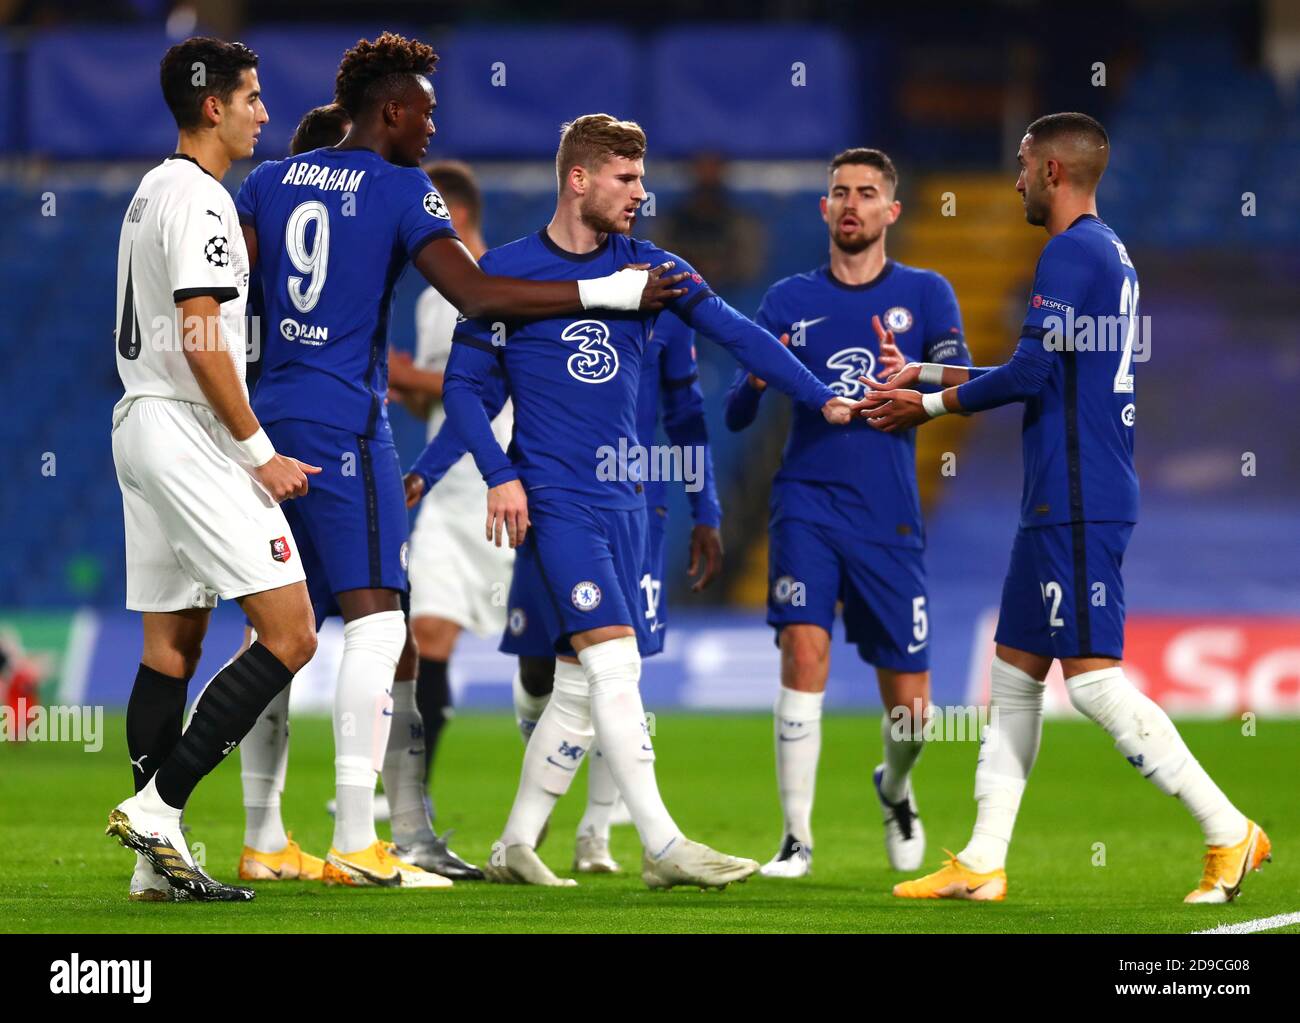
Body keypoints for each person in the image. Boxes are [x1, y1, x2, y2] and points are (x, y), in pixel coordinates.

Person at [235, 34, 686, 889]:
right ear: (393, 111)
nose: (433, 130)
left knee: (277, 633)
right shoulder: (403, 187)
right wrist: (604, 291)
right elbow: (478, 295)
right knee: (381, 627)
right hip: (343, 424)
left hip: (263, 425)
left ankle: (266, 832)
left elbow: (237, 299)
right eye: (427, 114)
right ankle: (366, 837)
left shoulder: (264, 179)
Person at [858, 113, 1271, 904]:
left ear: (1052, 171)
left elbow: (1028, 377)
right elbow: (1037, 365)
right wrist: (921, 374)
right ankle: (982, 860)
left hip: (1079, 495)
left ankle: (1228, 831)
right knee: (1015, 672)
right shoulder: (1105, 251)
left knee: (1092, 681)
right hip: (1063, 493)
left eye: (1021, 164)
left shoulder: (1069, 251)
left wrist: (929, 405)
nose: (1014, 178)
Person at [437, 113, 852, 889]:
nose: (640, 192)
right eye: (625, 179)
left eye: (641, 177)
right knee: (616, 666)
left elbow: (739, 335)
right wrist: (499, 472)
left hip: (629, 503)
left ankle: (515, 843)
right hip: (558, 500)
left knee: (574, 686)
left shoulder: (655, 269)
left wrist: (820, 397)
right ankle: (661, 844)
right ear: (578, 180)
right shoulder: (508, 273)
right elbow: (463, 390)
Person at [106, 37, 320, 903]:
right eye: (253, 97)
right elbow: (201, 336)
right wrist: (259, 454)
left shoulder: (151, 190)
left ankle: (151, 867)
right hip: (190, 427)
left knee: (172, 645)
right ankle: (160, 805)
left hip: (138, 420)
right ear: (212, 108)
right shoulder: (200, 201)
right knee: (293, 631)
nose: (264, 112)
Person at [724, 147, 970, 878]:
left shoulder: (927, 293)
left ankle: (894, 786)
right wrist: (761, 377)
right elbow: (737, 411)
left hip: (888, 513)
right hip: (806, 501)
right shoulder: (787, 301)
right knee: (803, 647)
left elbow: (961, 376)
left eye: (868, 192)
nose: (853, 203)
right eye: (840, 192)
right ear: (824, 209)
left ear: (891, 211)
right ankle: (795, 838)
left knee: (913, 713)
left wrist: (911, 373)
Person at [407, 307, 722, 874]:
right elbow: (484, 398)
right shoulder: (548, 301)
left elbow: (686, 414)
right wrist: (428, 472)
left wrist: (707, 508)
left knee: (616, 667)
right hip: (554, 504)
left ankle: (597, 834)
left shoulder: (665, 306)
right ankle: (533, 811)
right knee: (540, 669)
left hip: (636, 510)